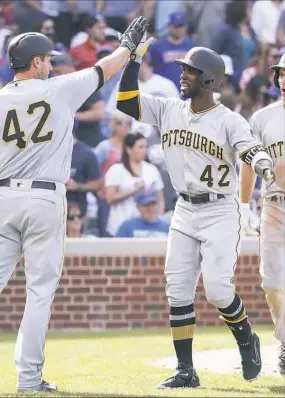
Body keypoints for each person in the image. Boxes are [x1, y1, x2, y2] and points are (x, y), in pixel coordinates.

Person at [0, 18, 149, 394]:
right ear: (34, 62)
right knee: (39, 290)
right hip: (44, 197)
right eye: (46, 59)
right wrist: (128, 45)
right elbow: (107, 68)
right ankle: (28, 377)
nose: (51, 64)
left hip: (2, 199)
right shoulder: (60, 89)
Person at [116, 43, 276, 388]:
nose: (182, 74)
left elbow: (251, 148)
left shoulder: (228, 119)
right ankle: (186, 371)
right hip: (185, 209)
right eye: (183, 69)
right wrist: (133, 59)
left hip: (219, 208)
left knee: (218, 290)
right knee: (177, 289)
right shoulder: (168, 108)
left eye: (189, 70)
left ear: (207, 80)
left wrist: (262, 163)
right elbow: (125, 101)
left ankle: (247, 338)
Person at [239, 52, 285, 377]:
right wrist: (243, 205)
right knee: (271, 281)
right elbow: (248, 163)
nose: (284, 80)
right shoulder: (263, 117)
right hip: (274, 203)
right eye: (281, 74)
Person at [104, 132, 164, 237]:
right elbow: (110, 197)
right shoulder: (116, 169)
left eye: (145, 147)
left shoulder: (151, 169)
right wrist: (134, 189)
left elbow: (160, 198)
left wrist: (158, 217)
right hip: (120, 223)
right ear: (128, 149)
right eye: (140, 147)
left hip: (146, 228)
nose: (144, 150)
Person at [148, 11, 197, 91]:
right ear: (169, 27)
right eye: (175, 26)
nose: (178, 29)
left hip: (186, 90)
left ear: (186, 27)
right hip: (163, 91)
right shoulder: (156, 46)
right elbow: (150, 68)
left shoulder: (193, 47)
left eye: (181, 26)